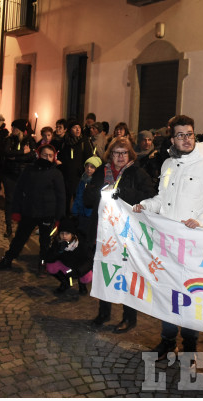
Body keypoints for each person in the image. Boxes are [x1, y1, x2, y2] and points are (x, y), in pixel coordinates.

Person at [133, 115, 203, 358]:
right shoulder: (168, 165)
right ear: (171, 137)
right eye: (181, 135)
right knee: (166, 292)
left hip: (193, 244)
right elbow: (162, 199)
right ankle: (167, 340)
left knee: (190, 296)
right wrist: (145, 205)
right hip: (167, 242)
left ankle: (189, 344)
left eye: (190, 134)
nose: (186, 139)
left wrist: (201, 222)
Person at [86, 137, 156, 333]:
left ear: (130, 155)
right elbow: (88, 198)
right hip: (104, 230)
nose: (120, 157)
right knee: (104, 269)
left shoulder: (138, 173)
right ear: (110, 155)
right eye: (116, 153)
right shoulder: (102, 171)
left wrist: (124, 192)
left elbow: (149, 196)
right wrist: (98, 192)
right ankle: (104, 311)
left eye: (123, 153)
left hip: (127, 231)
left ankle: (129, 317)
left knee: (128, 273)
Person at [0, 144, 65, 270]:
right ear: (39, 155)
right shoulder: (29, 170)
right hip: (29, 211)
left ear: (53, 157)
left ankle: (43, 263)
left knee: (45, 241)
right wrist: (16, 210)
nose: (47, 158)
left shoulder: (56, 173)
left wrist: (59, 218)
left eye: (50, 156)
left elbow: (61, 197)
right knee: (20, 238)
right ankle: (8, 258)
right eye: (45, 155)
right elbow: (19, 190)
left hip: (47, 213)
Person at [1, 119, 37, 237]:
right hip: (9, 174)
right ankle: (9, 227)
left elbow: (32, 156)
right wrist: (22, 152)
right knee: (9, 200)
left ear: (21, 130)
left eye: (15, 128)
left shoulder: (29, 140)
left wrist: (16, 157)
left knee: (23, 201)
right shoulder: (9, 140)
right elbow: (6, 153)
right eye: (12, 128)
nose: (13, 130)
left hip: (23, 175)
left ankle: (22, 228)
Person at [46, 217, 93, 295]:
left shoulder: (81, 242)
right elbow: (48, 258)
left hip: (78, 267)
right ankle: (65, 282)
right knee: (51, 267)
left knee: (87, 277)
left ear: (72, 234)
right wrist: (58, 251)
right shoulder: (58, 241)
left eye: (67, 233)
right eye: (62, 233)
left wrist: (78, 271)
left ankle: (82, 285)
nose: (64, 236)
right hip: (66, 266)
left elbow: (89, 260)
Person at [57, 119, 94, 215]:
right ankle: (65, 219)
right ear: (70, 130)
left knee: (78, 198)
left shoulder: (84, 141)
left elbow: (89, 158)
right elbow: (60, 156)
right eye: (74, 127)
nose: (78, 130)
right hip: (66, 175)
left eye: (79, 127)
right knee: (65, 198)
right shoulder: (65, 142)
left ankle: (77, 219)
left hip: (79, 176)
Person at [70, 155, 102, 234]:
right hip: (81, 214)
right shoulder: (82, 180)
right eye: (87, 166)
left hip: (91, 216)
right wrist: (74, 211)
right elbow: (78, 196)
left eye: (92, 167)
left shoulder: (98, 183)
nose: (88, 169)